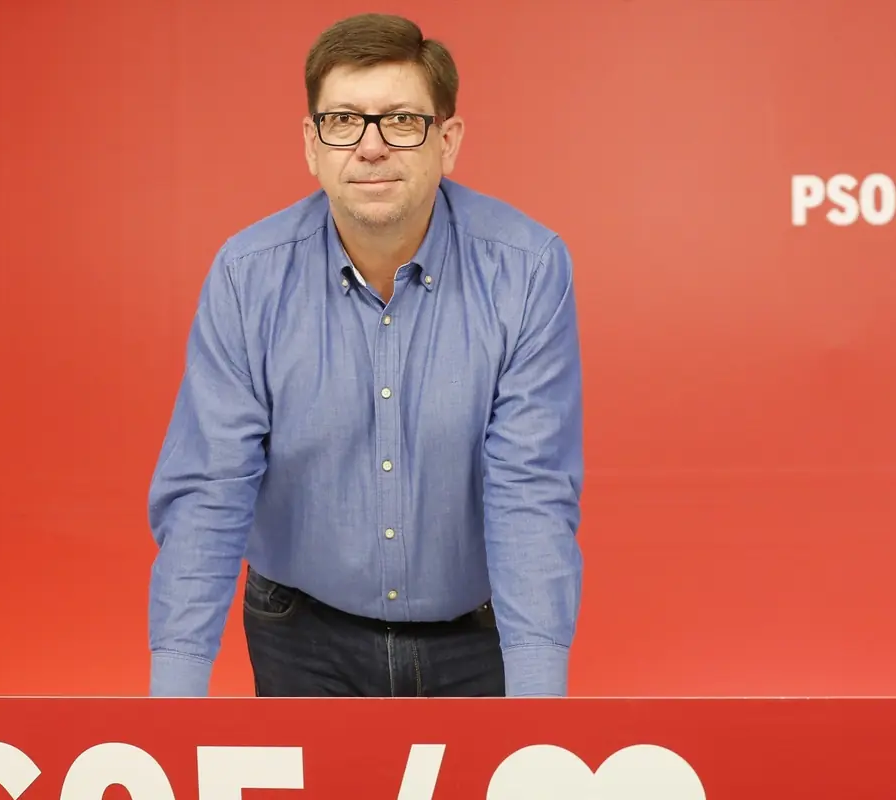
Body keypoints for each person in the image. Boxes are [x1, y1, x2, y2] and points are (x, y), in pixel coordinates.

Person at [145, 12, 584, 698]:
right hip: (302, 636)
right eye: (343, 120)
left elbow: (529, 493)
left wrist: (539, 719)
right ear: (311, 145)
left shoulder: (527, 270)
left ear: (448, 140)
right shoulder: (248, 274)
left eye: (402, 121)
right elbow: (209, 490)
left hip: (479, 639)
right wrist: (172, 710)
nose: (371, 147)